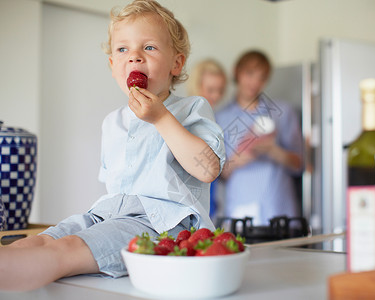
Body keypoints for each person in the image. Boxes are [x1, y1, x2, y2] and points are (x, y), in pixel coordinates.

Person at [0, 0, 225, 291]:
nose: (134, 57)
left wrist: (161, 118)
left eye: (149, 48)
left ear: (176, 63)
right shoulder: (112, 122)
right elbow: (116, 191)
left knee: (67, 248)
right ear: (112, 66)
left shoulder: (192, 108)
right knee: (41, 239)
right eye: (123, 50)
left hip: (160, 224)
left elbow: (208, 170)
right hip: (106, 213)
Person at [215, 50, 303, 226]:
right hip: (240, 215)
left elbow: (300, 166)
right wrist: (239, 159)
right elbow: (216, 174)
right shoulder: (220, 118)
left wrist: (274, 152)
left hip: (280, 213)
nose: (255, 82)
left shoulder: (283, 112)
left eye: (262, 78)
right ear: (237, 72)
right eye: (250, 74)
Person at [187, 59, 228, 220]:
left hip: (211, 204)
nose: (216, 96)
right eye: (211, 90)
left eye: (220, 90)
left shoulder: (216, 120)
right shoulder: (184, 121)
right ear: (196, 86)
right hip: (188, 205)